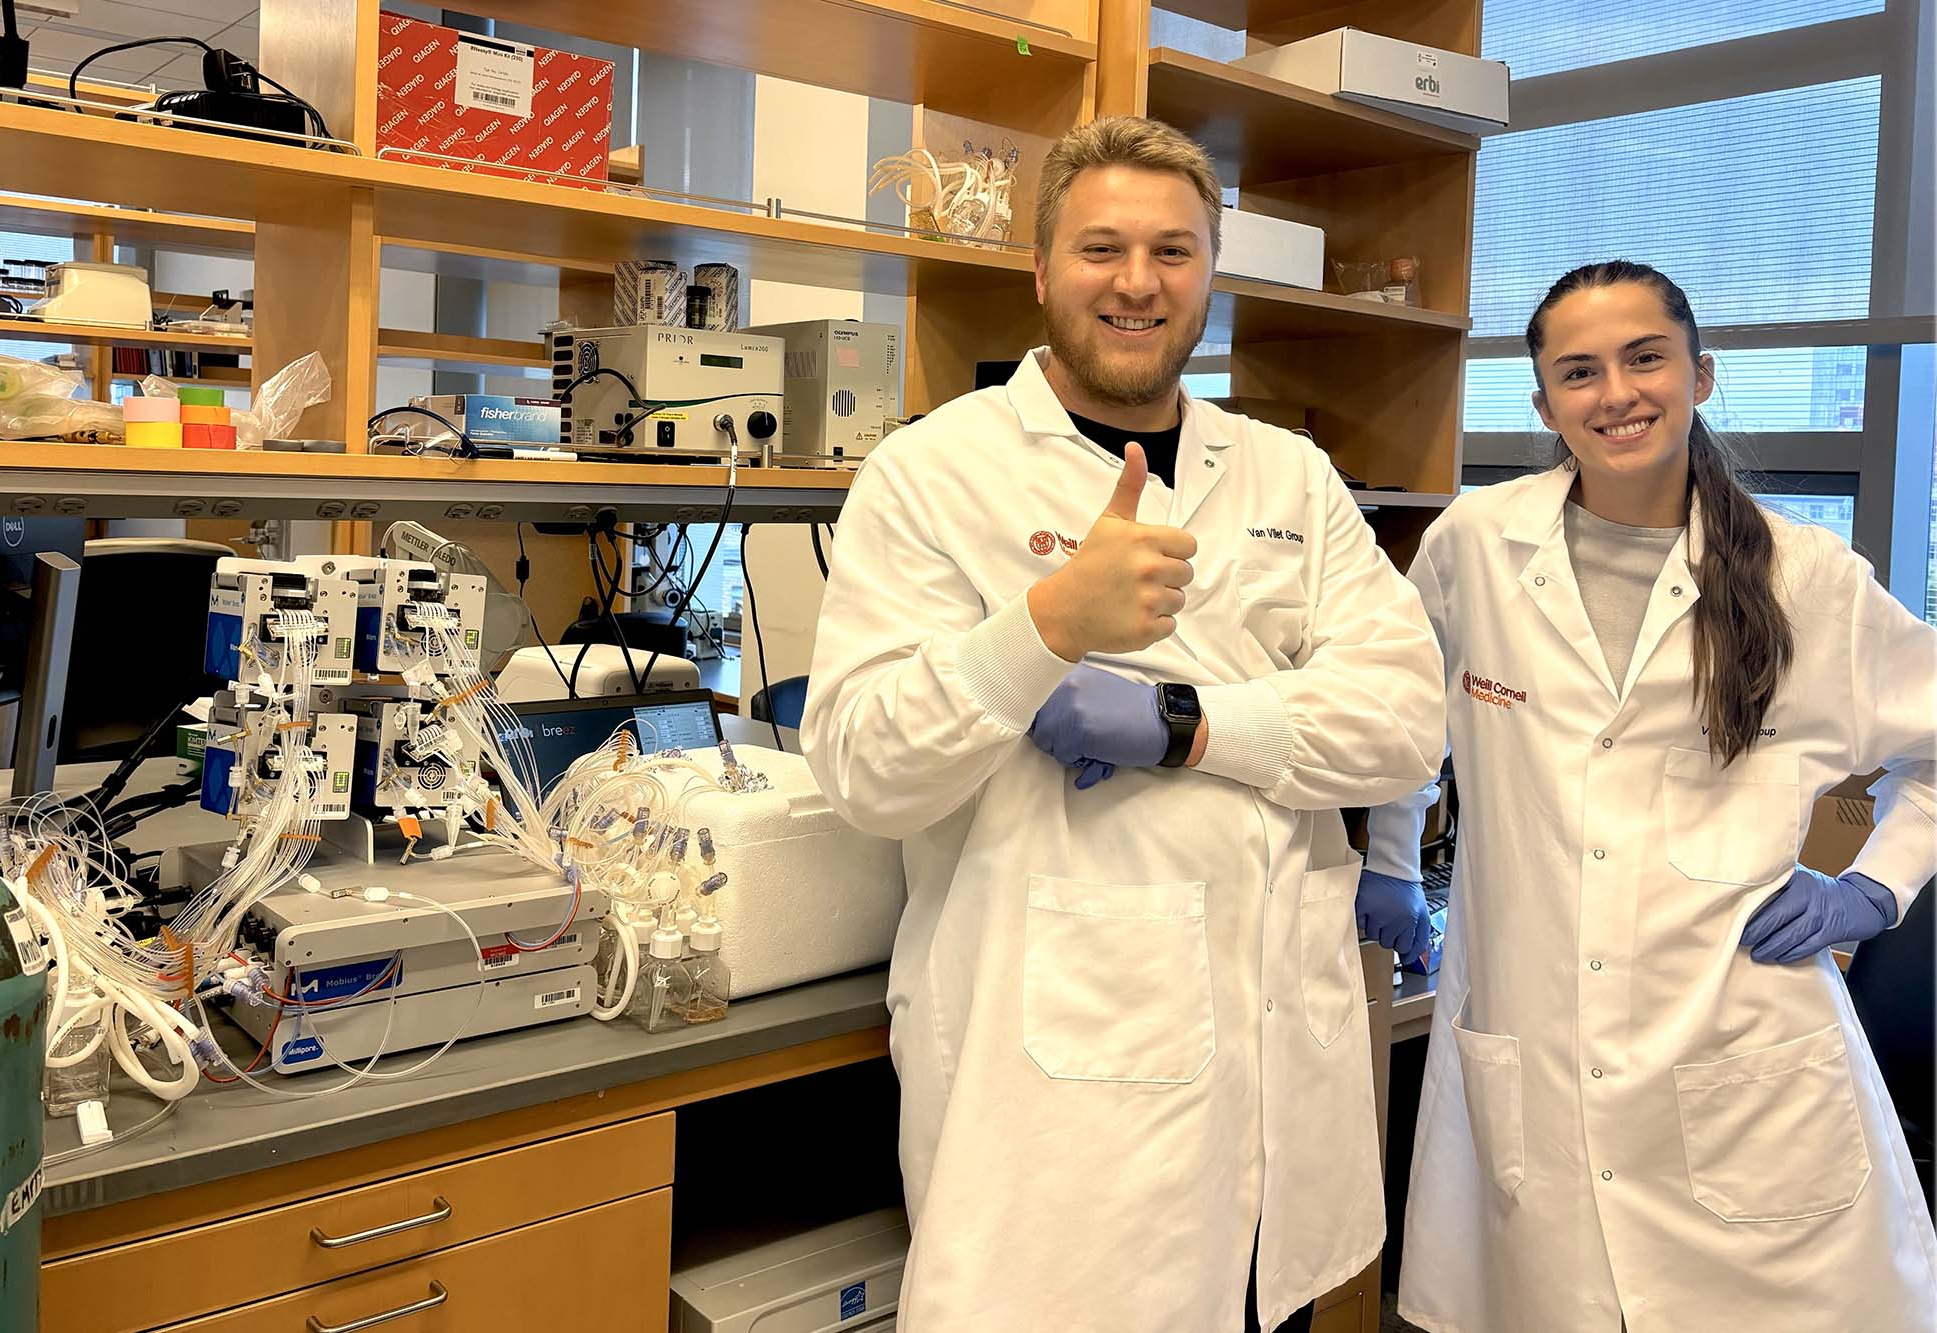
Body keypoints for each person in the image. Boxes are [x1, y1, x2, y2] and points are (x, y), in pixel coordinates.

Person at [800, 115, 1446, 1331]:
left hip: (1274, 1124)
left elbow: (1406, 721)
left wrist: (1182, 723)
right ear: (1040, 270)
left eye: (1173, 250)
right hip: (1060, 1127)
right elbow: (862, 772)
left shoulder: (1286, 474)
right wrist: (1039, 626)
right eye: (1100, 248)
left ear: (1209, 273)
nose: (1137, 282)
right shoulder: (930, 474)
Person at [1368, 260, 1937, 1332]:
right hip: (1529, 1044)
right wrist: (1391, 861)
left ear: (1699, 374)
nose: (1614, 393)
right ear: (1540, 404)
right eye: (1577, 372)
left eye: (1643, 358)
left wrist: (1876, 885)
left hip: (1739, 1044)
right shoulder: (1474, 548)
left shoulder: (1802, 576)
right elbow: (1406, 721)